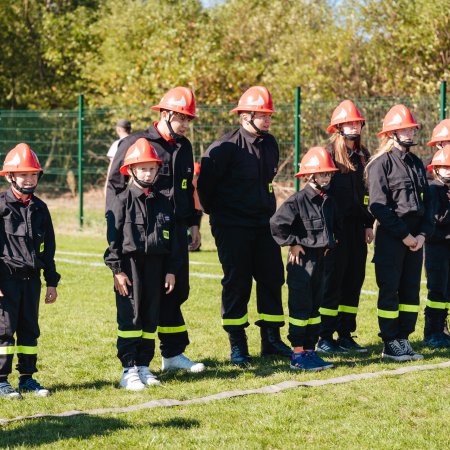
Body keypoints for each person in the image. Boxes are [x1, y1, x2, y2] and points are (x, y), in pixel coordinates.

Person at [106, 87, 204, 373]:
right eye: (181, 118)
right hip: (141, 236)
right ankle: (135, 364)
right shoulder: (137, 143)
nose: (185, 124)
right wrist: (117, 230)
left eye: (189, 119)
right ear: (164, 114)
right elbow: (115, 187)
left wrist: (194, 223)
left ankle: (172, 355)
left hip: (174, 232)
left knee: (175, 290)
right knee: (143, 297)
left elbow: (187, 187)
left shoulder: (184, 146)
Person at [197, 86, 291, 367]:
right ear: (244, 116)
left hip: (264, 224)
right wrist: (223, 217)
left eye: (269, 115)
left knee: (273, 279)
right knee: (237, 284)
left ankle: (271, 340)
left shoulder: (271, 144)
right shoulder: (223, 148)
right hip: (232, 226)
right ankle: (238, 345)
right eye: (261, 115)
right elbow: (205, 190)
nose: (267, 120)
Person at [105, 138, 182, 390]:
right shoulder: (121, 200)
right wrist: (117, 271)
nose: (148, 173)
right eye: (143, 168)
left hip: (157, 266)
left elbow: (171, 240)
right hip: (130, 267)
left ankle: (144, 366)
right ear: (131, 170)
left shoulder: (163, 201)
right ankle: (128, 370)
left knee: (150, 317)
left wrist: (170, 270)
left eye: (152, 168)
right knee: (131, 317)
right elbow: (113, 240)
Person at [366, 104, 433, 361]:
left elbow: (429, 206)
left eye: (411, 128)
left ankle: (404, 338)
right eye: (403, 128)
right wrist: (405, 236)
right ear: (390, 133)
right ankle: (389, 341)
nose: (409, 132)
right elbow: (378, 206)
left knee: (410, 291)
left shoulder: (417, 163)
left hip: (417, 238)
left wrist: (423, 235)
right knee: (390, 289)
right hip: (393, 238)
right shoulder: (380, 165)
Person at [270, 147, 340, 371]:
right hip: (302, 264)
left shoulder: (327, 200)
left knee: (314, 307)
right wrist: (293, 242)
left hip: (321, 260)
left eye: (328, 173)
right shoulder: (297, 201)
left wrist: (331, 243)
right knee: (301, 307)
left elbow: (331, 227)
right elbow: (276, 224)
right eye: (322, 174)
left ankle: (311, 351)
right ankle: (298, 355)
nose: (326, 177)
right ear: (310, 176)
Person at [0, 143, 60, 399]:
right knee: (4, 330)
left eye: (33, 174)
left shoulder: (40, 208)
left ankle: (27, 378)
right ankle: (1, 381)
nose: (29, 179)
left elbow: (48, 249)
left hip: (31, 279)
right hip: (6, 279)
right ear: (11, 176)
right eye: (24, 174)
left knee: (29, 329)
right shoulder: (1, 206)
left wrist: (52, 281)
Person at [318, 100, 373, 354]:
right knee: (332, 283)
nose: (354, 126)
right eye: (348, 122)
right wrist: (324, 233)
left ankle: (346, 334)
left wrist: (368, 224)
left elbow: (367, 195)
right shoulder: (327, 156)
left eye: (357, 122)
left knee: (353, 281)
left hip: (357, 231)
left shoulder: (364, 156)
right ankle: (325, 336)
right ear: (338, 127)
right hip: (334, 231)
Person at [422, 143, 450, 348]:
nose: (448, 171)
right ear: (436, 169)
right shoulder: (433, 189)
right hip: (436, 245)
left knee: (447, 289)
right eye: (445, 167)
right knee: (437, 289)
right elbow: (437, 217)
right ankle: (432, 331)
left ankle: (442, 329)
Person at [104, 119, 132, 196]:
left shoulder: (116, 144)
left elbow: (112, 166)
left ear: (118, 129)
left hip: (118, 182)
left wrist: (107, 183)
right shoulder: (135, 142)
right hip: (133, 181)